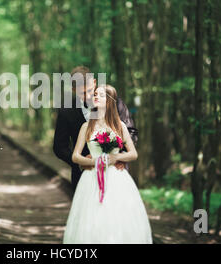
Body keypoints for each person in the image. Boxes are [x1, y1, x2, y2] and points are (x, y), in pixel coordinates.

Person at [63, 84, 152, 243]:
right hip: (91, 178)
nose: (95, 97)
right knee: (92, 216)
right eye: (95, 94)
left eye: (101, 95)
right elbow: (75, 156)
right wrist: (93, 161)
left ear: (110, 101)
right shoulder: (87, 126)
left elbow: (133, 154)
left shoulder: (120, 126)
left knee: (116, 216)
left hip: (116, 178)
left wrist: (116, 158)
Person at [53, 66, 138, 193]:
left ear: (94, 82)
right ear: (74, 90)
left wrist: (120, 157)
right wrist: (81, 162)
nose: (88, 96)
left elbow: (131, 132)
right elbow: (59, 147)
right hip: (84, 174)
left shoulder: (114, 103)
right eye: (82, 93)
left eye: (89, 91)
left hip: (115, 170)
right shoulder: (66, 111)